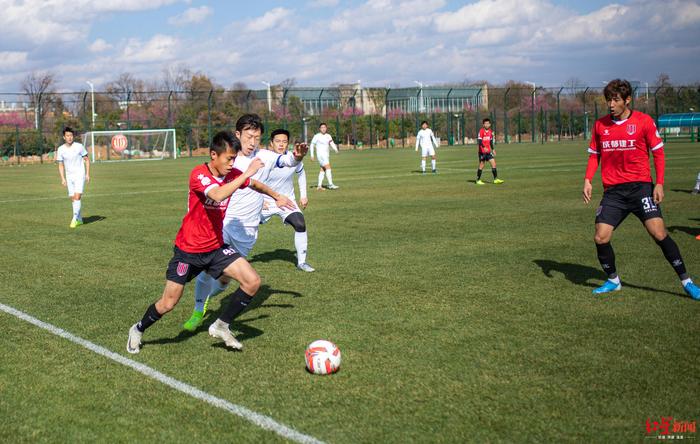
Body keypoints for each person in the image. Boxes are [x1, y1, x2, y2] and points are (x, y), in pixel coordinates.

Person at [126, 131, 266, 354]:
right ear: (213, 155)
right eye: (228, 158)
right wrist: (246, 172)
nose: (232, 164)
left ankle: (221, 325)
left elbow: (254, 184)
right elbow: (218, 195)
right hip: (188, 251)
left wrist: (277, 196)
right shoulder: (198, 174)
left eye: (234, 159)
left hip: (216, 248)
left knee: (252, 281)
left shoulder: (232, 174)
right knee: (168, 303)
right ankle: (138, 328)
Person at [182, 114, 307, 332]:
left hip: (248, 231)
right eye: (248, 137)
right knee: (206, 272)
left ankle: (209, 299)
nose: (252, 142)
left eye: (257, 138)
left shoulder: (266, 156)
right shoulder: (229, 160)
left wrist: (297, 157)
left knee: (223, 282)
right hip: (224, 226)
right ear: (238, 135)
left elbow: (285, 160)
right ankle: (198, 310)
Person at [582, 79, 699, 299]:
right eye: (609, 100)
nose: (611, 104)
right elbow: (594, 155)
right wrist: (588, 180)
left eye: (615, 100)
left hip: (641, 189)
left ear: (627, 100)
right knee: (601, 237)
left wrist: (660, 183)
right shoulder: (600, 125)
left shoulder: (643, 121)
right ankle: (613, 280)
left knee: (659, 233)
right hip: (614, 192)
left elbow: (658, 153)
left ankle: (687, 282)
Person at [260, 129, 314, 272]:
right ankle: (225, 258)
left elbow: (301, 173)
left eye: (284, 141)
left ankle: (302, 262)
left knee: (300, 223)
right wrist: (259, 200)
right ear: (271, 143)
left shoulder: (294, 158)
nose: (281, 144)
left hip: (286, 201)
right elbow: (253, 181)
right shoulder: (264, 159)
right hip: (264, 202)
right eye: (278, 141)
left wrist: (303, 195)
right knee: (243, 225)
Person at [56, 127, 90, 227]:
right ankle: (79, 219)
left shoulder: (79, 146)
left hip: (79, 174)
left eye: (71, 135)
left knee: (77, 197)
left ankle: (74, 218)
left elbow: (87, 160)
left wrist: (87, 174)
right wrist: (63, 178)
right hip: (69, 176)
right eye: (67, 136)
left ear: (73, 136)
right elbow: (60, 164)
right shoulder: (61, 149)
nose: (70, 137)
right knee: (73, 199)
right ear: (64, 137)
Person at [310, 122, 339, 190]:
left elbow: (332, 143)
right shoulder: (317, 136)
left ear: (326, 128)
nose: (323, 129)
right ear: (319, 129)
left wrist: (335, 149)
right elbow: (312, 145)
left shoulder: (328, 136)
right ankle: (330, 184)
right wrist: (312, 155)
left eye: (324, 127)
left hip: (326, 155)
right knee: (328, 167)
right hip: (321, 156)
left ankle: (319, 185)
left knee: (323, 169)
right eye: (322, 127)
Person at [476, 118, 504, 185]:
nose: (487, 124)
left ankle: (496, 179)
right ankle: (478, 180)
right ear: (483, 124)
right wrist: (483, 147)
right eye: (485, 123)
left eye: (488, 123)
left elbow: (491, 142)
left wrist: (493, 149)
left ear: (490, 124)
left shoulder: (490, 132)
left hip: (488, 152)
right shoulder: (481, 131)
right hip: (482, 152)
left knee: (493, 163)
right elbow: (479, 141)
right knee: (482, 165)